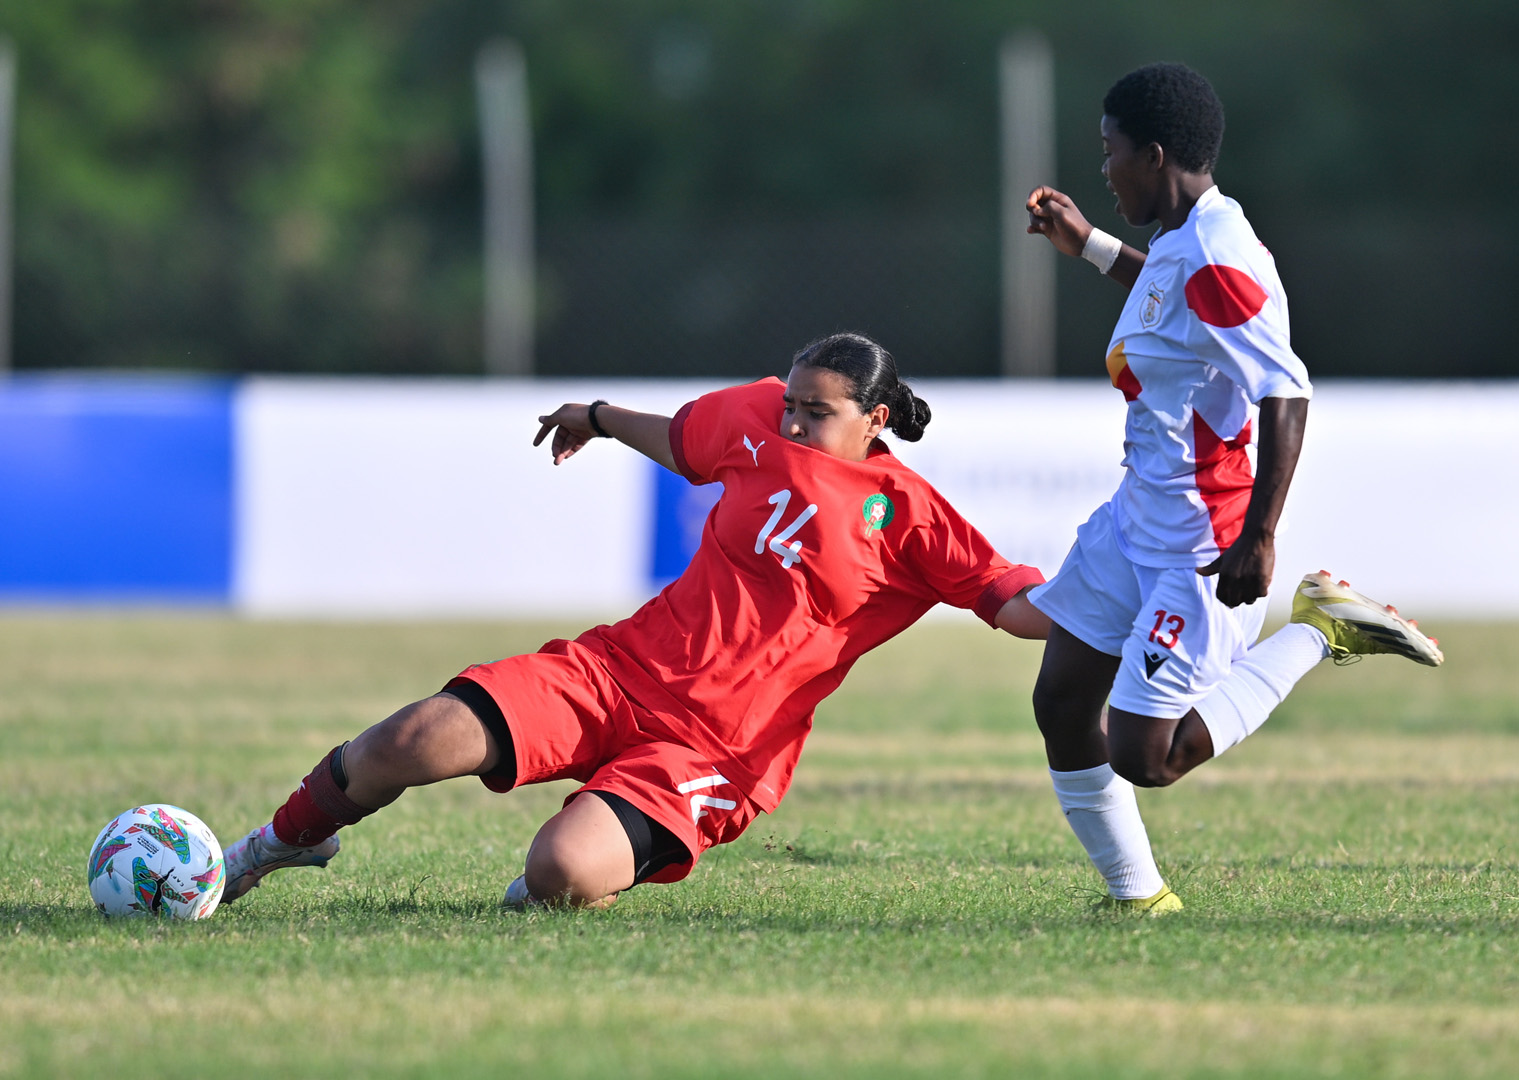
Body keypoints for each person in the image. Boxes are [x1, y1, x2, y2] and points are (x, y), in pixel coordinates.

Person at [220, 332, 1051, 909]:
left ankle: (586, 859)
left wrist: (1117, 603)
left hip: (716, 750)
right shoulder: (757, 415)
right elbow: (685, 441)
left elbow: (1013, 607)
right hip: (615, 669)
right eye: (791, 402)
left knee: (560, 872)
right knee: (410, 741)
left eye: (817, 412)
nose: (793, 421)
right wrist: (600, 417)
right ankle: (274, 845)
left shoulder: (910, 514)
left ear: (874, 419)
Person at [1023, 63, 1442, 912]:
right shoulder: (1186, 241)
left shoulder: (1218, 250)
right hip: (1131, 517)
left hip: (1198, 539)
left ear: (1154, 152)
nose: (1102, 172)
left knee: (1148, 756)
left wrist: (1259, 535)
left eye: (1109, 154)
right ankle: (1136, 899)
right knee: (1063, 702)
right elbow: (1170, 300)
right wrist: (1091, 248)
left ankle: (1318, 631)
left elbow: (1284, 388)